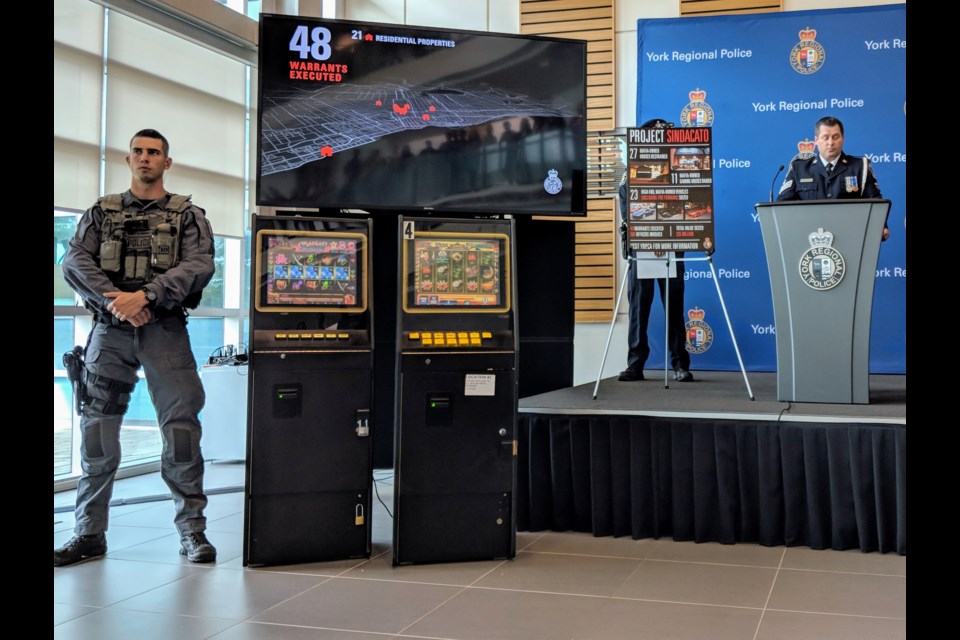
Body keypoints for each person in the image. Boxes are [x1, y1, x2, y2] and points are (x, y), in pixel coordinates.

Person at [55, 129, 217, 567]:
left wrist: (145, 297)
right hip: (111, 331)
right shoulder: (99, 213)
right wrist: (116, 301)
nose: (146, 158)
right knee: (97, 432)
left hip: (164, 329)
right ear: (129, 160)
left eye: (155, 152)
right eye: (139, 152)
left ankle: (192, 533)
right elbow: (74, 260)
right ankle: (88, 534)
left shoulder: (188, 215)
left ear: (167, 162)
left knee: (181, 431)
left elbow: (199, 265)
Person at [617, 176, 693, 382]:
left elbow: (680, 212)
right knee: (638, 312)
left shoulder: (674, 179)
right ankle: (635, 365)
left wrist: (663, 239)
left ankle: (680, 365)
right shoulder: (627, 183)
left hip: (671, 250)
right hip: (641, 253)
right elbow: (629, 217)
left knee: (674, 309)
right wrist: (652, 240)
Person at [777, 115, 889, 241]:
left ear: (843, 138)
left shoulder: (860, 166)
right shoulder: (799, 168)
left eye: (835, 137)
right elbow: (782, 205)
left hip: (851, 237)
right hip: (810, 239)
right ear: (816, 140)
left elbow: (875, 201)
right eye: (825, 137)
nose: (830, 142)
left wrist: (881, 226)